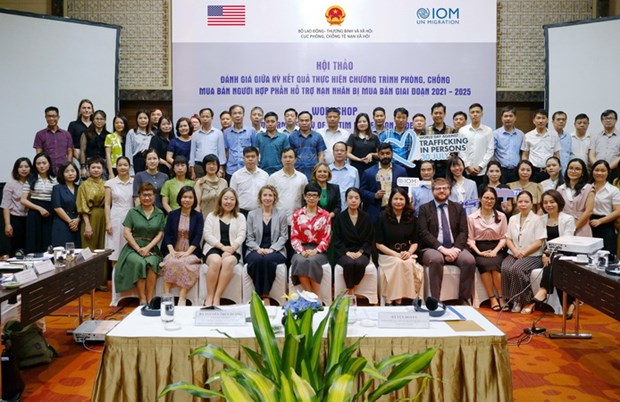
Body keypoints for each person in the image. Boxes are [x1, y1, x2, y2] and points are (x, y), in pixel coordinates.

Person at [418, 178, 476, 304]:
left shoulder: (458, 208)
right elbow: (424, 233)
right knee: (436, 259)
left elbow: (463, 232)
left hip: (455, 247)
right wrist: (442, 249)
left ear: (450, 190)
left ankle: (463, 299)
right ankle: (435, 300)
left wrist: (456, 249)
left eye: (445, 188)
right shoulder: (424, 209)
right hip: (433, 248)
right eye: (438, 188)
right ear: (432, 191)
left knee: (469, 260)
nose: (442, 191)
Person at [114, 182, 165, 305]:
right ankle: (142, 298)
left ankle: (150, 298)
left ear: (154, 196)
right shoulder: (133, 212)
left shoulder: (160, 213)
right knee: (139, 262)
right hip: (132, 249)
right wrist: (138, 249)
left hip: (151, 249)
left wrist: (147, 248)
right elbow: (127, 233)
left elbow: (160, 234)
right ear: (139, 196)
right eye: (144, 195)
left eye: (150, 195)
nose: (147, 198)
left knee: (152, 262)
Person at [529, 189, 576, 315]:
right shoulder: (541, 219)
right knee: (556, 265)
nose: (549, 205)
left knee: (555, 260)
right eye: (545, 203)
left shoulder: (568, 219)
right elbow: (540, 241)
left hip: (566, 252)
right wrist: (545, 253)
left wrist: (549, 253)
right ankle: (570, 303)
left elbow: (566, 241)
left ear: (559, 202)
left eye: (552, 202)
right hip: (548, 254)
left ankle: (543, 289)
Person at [375, 187, 423, 305]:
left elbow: (415, 242)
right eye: (395, 199)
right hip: (387, 255)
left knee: (408, 263)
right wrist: (396, 255)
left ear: (406, 200)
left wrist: (409, 253)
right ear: (390, 200)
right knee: (399, 263)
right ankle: (395, 299)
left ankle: (406, 297)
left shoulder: (411, 217)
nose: (398, 202)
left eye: (401, 199)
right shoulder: (382, 216)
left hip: (406, 253)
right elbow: (378, 244)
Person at [501, 191, 546, 313]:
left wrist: (524, 253)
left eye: (526, 201)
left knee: (517, 268)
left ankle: (525, 300)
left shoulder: (538, 219)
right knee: (505, 267)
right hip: (515, 253)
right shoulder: (513, 218)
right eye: (520, 201)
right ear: (516, 203)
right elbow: (508, 238)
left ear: (532, 204)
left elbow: (539, 242)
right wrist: (515, 251)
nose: (523, 204)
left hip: (533, 255)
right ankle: (510, 299)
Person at [159, 186, 204, 306]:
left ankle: (182, 298)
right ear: (180, 198)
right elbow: (167, 234)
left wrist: (187, 253)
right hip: (173, 249)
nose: (187, 200)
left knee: (184, 263)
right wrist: (172, 251)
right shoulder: (172, 214)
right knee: (171, 261)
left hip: (191, 251)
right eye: (184, 197)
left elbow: (198, 237)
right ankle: (166, 296)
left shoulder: (198, 216)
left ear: (194, 200)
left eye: (190, 197)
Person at [202, 188, 247, 306]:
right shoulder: (212, 215)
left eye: (232, 199)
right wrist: (222, 247)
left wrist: (231, 249)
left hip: (233, 249)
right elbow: (207, 235)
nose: (228, 202)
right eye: (226, 198)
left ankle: (217, 297)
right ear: (220, 200)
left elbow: (241, 235)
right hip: (214, 248)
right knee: (216, 261)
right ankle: (209, 296)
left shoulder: (240, 217)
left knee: (227, 262)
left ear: (236, 202)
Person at [245, 185, 288, 304]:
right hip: (255, 249)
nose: (267, 198)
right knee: (257, 260)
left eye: (270, 195)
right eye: (265, 195)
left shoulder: (281, 214)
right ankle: (261, 295)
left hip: (276, 250)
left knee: (268, 259)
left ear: (275, 198)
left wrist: (272, 249)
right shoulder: (252, 214)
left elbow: (284, 237)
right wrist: (257, 249)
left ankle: (263, 295)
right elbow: (249, 238)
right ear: (260, 198)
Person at [467, 187, 508, 311]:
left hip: (497, 248)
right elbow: (470, 239)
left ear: (495, 200)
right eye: (486, 198)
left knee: (495, 265)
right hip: (479, 248)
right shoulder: (471, 217)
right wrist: (478, 252)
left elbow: (504, 237)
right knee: (484, 264)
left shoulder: (501, 216)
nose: (489, 201)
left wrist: (495, 251)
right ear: (480, 199)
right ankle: (492, 298)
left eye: (492, 198)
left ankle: (501, 297)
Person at [290, 183, 331, 296]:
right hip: (301, 249)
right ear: (304, 196)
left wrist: (315, 251)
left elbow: (326, 238)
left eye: (314, 195)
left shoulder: (325, 215)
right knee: (299, 260)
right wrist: (301, 251)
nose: (311, 198)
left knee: (312, 261)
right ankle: (310, 295)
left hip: (318, 250)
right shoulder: (297, 214)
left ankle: (316, 295)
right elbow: (294, 237)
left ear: (319, 197)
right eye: (309, 195)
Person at [332, 188, 374, 297]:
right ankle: (350, 290)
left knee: (359, 263)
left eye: (356, 198)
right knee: (349, 263)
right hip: (344, 252)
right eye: (350, 198)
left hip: (361, 251)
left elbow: (369, 238)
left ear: (360, 200)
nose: (353, 200)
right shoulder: (340, 217)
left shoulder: (366, 217)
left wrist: (361, 251)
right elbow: (336, 239)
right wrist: (346, 252)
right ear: (346, 200)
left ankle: (353, 286)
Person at [360, 143, 408, 223]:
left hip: (396, 211)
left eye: (388, 153)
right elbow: (362, 191)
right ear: (378, 154)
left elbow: (406, 190)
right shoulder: (368, 172)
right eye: (382, 154)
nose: (385, 156)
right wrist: (374, 195)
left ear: (392, 154)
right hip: (376, 212)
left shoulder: (401, 171)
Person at [21, 152, 57, 253]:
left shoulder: (55, 179)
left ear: (49, 164)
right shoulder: (31, 178)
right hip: (34, 212)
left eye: (44, 163)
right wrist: (39, 208)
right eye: (38, 163)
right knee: (33, 240)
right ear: (35, 165)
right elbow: (23, 200)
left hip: (50, 211)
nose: (41, 166)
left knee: (48, 240)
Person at [77, 157, 107, 270]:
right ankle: (88, 278)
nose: (96, 170)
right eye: (93, 167)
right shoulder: (84, 185)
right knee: (89, 248)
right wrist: (87, 225)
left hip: (104, 216)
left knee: (102, 248)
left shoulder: (107, 184)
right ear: (88, 169)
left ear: (103, 169)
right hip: (90, 217)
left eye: (99, 167)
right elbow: (82, 206)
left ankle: (102, 278)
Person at [104, 156, 134, 269]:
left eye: (125, 165)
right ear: (116, 167)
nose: (122, 167)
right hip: (115, 217)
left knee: (130, 249)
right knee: (115, 251)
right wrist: (108, 223)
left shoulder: (134, 182)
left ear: (129, 167)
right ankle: (115, 277)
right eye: (120, 165)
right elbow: (107, 205)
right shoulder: (110, 183)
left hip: (131, 217)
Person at [458, 103, 494, 186]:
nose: (475, 114)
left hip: (483, 171)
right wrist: (468, 166)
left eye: (477, 112)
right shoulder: (462, 130)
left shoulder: (488, 130)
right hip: (466, 171)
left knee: (482, 192)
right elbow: (460, 150)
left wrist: (480, 166)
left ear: (482, 114)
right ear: (469, 114)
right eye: (472, 112)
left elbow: (490, 150)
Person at [556, 158, 594, 236]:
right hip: (563, 226)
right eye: (571, 168)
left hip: (582, 226)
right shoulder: (560, 188)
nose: (573, 171)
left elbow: (589, 211)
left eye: (577, 169)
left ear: (583, 172)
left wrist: (573, 228)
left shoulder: (588, 188)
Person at [2, 158, 31, 256]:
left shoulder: (33, 182)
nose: (24, 169)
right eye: (20, 167)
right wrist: (7, 224)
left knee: (30, 246)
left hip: (31, 218)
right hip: (16, 219)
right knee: (17, 247)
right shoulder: (10, 184)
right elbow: (6, 206)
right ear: (16, 169)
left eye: (26, 166)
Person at [590, 160, 620, 255]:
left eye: (603, 170)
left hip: (606, 225)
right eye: (597, 170)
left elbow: (618, 211)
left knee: (606, 256)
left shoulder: (613, 190)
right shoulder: (586, 188)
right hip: (588, 224)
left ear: (608, 172)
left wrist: (600, 221)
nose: (599, 173)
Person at [521, 110, 560, 183]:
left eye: (543, 118)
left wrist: (555, 169)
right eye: (538, 118)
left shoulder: (554, 135)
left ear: (547, 120)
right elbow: (525, 155)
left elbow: (556, 154)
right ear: (534, 120)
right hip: (533, 171)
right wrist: (526, 169)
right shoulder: (528, 136)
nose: (541, 121)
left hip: (549, 171)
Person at [33, 106, 73, 174]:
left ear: (58, 117)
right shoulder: (40, 134)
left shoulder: (66, 134)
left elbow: (70, 152)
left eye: (54, 116)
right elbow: (39, 154)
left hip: (63, 170)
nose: (51, 118)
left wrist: (68, 166)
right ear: (45, 117)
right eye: (49, 116)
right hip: (47, 170)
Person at [230, 146, 269, 215]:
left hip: (260, 212)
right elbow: (232, 196)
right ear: (243, 158)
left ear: (258, 158)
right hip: (241, 212)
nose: (250, 159)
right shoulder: (236, 175)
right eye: (247, 157)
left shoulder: (265, 175)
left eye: (253, 156)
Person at [189, 108, 226, 179]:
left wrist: (221, 169)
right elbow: (192, 153)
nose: (205, 119)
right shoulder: (195, 134)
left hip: (214, 166)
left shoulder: (218, 133)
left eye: (207, 116)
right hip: (199, 167)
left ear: (212, 118)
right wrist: (192, 170)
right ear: (200, 118)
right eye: (203, 117)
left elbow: (221, 152)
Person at [288, 111, 326, 179]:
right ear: (298, 121)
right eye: (301, 120)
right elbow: (289, 155)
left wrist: (320, 169)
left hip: (313, 171)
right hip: (296, 171)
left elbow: (321, 154)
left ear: (311, 122)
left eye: (306, 120)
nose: (304, 123)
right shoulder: (292, 136)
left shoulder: (317, 136)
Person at [51, 162, 81, 248]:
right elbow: (57, 207)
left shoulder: (80, 188)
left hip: (78, 223)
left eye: (73, 171)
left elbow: (84, 206)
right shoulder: (57, 188)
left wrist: (78, 219)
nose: (70, 173)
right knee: (62, 250)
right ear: (62, 174)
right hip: (62, 222)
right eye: (67, 171)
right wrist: (71, 222)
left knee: (77, 251)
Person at [380, 107, 418, 174]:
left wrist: (410, 161)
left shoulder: (411, 135)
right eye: (398, 117)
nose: (401, 120)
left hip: (407, 168)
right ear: (394, 118)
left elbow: (415, 152)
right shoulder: (386, 134)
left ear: (407, 119)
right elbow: (380, 151)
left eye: (403, 118)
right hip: (389, 167)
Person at [224, 104, 256, 180]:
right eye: (234, 113)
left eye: (239, 113)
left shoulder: (251, 131)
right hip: (231, 170)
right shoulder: (226, 132)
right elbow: (226, 151)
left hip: (247, 169)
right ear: (231, 116)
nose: (237, 115)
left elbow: (255, 150)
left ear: (243, 115)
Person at [493, 106, 524, 184]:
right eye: (505, 116)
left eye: (510, 116)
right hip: (501, 171)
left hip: (516, 171)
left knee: (515, 191)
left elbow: (523, 153)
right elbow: (491, 153)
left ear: (515, 118)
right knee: (501, 191)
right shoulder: (495, 134)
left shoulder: (520, 134)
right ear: (502, 118)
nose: (508, 118)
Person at [425, 102, 456, 178]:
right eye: (436, 113)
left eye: (440, 113)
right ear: (431, 114)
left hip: (447, 168)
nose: (438, 115)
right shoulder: (425, 130)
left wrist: (451, 156)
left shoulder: (452, 130)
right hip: (430, 169)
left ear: (444, 114)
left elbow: (455, 150)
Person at [588, 109, 620, 182]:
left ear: (616, 120)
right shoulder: (595, 137)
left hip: (614, 171)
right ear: (602, 121)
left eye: (610, 118)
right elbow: (591, 155)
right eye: (605, 118)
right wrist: (599, 167)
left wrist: (608, 168)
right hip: (597, 171)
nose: (608, 120)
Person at [194, 154, 227, 220]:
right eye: (208, 164)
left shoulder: (224, 182)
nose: (211, 166)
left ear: (218, 166)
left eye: (214, 164)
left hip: (222, 218)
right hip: (205, 218)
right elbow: (196, 204)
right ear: (204, 166)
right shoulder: (200, 182)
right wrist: (199, 219)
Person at [330, 141, 359, 210]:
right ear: (333, 152)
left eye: (342, 151)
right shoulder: (326, 171)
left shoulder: (353, 171)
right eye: (337, 150)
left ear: (346, 153)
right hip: (330, 209)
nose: (339, 153)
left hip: (348, 209)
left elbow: (356, 191)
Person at [80, 110, 109, 178]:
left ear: (105, 121)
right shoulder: (86, 133)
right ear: (93, 120)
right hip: (89, 162)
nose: (99, 121)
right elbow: (82, 151)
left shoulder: (108, 135)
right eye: (97, 119)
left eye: (101, 119)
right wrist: (83, 167)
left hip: (103, 163)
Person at [124, 109, 152, 174]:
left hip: (149, 162)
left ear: (148, 120)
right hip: (136, 162)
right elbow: (128, 152)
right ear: (137, 119)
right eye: (140, 118)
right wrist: (130, 170)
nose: (143, 120)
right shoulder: (132, 132)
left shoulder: (152, 134)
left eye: (145, 118)